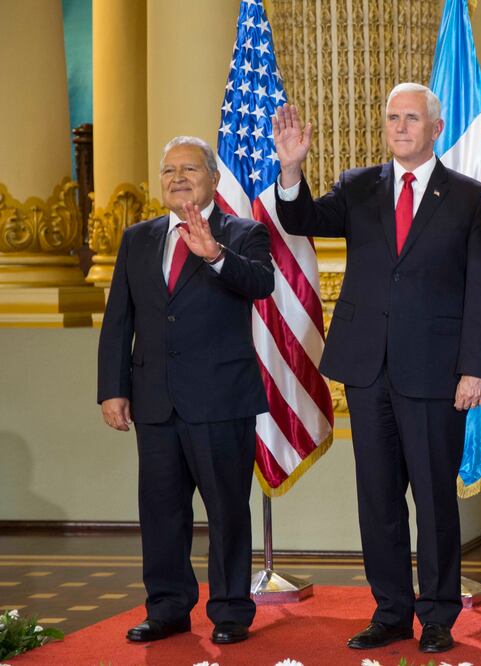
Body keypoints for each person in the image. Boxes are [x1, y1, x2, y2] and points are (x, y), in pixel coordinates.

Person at [271, 82, 481, 655]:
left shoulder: (470, 197)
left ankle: (440, 616)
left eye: (411, 118)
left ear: (436, 128)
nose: (400, 127)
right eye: (392, 118)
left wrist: (475, 368)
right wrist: (292, 171)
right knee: (377, 501)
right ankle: (391, 612)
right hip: (368, 369)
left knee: (433, 501)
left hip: (437, 372)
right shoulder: (358, 186)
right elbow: (302, 218)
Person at [98, 136, 275, 645]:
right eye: (169, 170)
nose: (178, 178)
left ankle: (230, 612)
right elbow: (119, 320)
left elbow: (261, 284)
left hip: (220, 399)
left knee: (225, 510)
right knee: (160, 511)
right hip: (154, 399)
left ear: (213, 180)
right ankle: (168, 608)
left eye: (190, 169)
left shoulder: (244, 233)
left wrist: (215, 255)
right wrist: (113, 388)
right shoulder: (138, 238)